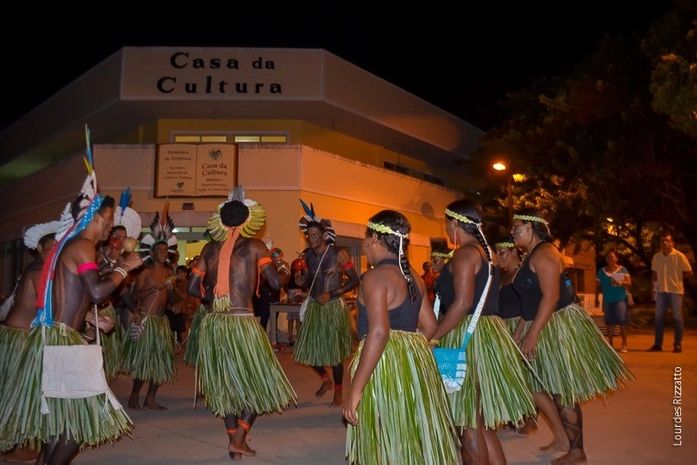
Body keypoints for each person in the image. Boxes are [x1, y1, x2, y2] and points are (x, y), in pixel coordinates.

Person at [0, 153, 142, 465]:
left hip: (61, 338)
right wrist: (124, 269)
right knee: (76, 426)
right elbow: (96, 290)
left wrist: (90, 321)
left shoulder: (72, 247)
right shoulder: (82, 246)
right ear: (94, 216)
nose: (110, 226)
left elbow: (69, 296)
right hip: (62, 343)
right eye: (108, 219)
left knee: (65, 423)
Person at [510, 209, 634, 465]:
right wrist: (520, 332)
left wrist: (533, 334)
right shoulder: (532, 255)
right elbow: (530, 303)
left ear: (532, 228)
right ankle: (565, 440)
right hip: (543, 324)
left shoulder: (545, 253)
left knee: (563, 391)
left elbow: (551, 296)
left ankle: (577, 451)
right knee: (550, 388)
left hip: (556, 327)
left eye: (517, 227)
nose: (513, 232)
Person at [188, 187, 296, 460]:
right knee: (261, 382)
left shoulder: (209, 248)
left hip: (215, 324)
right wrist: (283, 270)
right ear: (250, 220)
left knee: (224, 383)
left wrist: (211, 297)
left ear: (221, 221)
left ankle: (234, 441)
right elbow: (273, 283)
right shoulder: (255, 246)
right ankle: (238, 438)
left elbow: (192, 287)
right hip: (242, 322)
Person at [343, 210, 459, 465]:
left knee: (382, 435)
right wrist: (409, 350)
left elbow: (379, 331)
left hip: (381, 365)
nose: (364, 246)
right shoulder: (414, 278)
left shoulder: (373, 278)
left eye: (365, 239)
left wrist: (356, 388)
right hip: (411, 363)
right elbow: (430, 326)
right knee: (405, 432)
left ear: (374, 238)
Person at [432, 199, 535, 465]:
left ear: (456, 223)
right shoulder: (484, 252)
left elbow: (463, 303)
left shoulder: (466, 254)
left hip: (466, 338)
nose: (445, 228)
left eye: (446, 223)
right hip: (484, 335)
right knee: (479, 421)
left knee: (467, 421)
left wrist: (433, 336)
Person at [0, 222, 58, 463]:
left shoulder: (38, 267)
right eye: (52, 247)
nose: (56, 252)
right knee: (19, 392)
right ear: (41, 249)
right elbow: (49, 305)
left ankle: (16, 444)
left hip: (18, 335)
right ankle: (12, 448)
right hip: (22, 338)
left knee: (19, 392)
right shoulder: (40, 270)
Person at [293, 200, 360, 406]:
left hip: (331, 308)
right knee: (307, 351)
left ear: (323, 235)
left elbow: (355, 279)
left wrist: (332, 294)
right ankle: (325, 379)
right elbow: (307, 279)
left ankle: (339, 392)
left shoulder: (338, 254)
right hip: (314, 306)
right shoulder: (306, 256)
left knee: (334, 354)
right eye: (308, 235)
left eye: (314, 235)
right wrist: (301, 282)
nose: (310, 238)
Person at [123, 209, 178, 410]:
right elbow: (134, 296)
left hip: (161, 322)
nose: (164, 254)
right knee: (143, 363)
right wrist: (152, 289)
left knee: (161, 362)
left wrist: (174, 300)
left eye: (166, 251)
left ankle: (151, 398)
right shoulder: (145, 272)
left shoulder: (168, 271)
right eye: (160, 251)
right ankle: (134, 395)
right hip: (147, 322)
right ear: (152, 252)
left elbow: (170, 298)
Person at [648, 232, 693, 353]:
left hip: (675, 291)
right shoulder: (657, 257)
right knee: (658, 318)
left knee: (677, 318)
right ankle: (658, 344)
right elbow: (654, 275)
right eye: (662, 241)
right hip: (661, 291)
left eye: (667, 241)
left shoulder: (679, 256)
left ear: (672, 243)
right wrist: (653, 290)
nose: (664, 243)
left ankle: (677, 344)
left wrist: (679, 278)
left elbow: (689, 272)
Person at [595, 249, 631, 352]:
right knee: (609, 323)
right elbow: (597, 286)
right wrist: (596, 298)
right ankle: (610, 344)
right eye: (608, 257)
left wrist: (619, 282)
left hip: (620, 299)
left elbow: (629, 282)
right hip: (608, 300)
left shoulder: (622, 269)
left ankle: (624, 344)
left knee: (622, 322)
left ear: (616, 258)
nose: (609, 258)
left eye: (611, 256)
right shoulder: (601, 271)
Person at [286, 256, 308, 344]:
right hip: (292, 297)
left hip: (300, 297)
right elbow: (286, 286)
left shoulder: (303, 275)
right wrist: (289, 296)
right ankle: (290, 337)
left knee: (298, 318)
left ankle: (299, 337)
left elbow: (303, 286)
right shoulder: (290, 276)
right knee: (291, 318)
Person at [431, 245, 453, 319]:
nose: (432, 264)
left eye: (435, 261)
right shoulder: (442, 277)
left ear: (445, 260)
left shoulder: (448, 278)